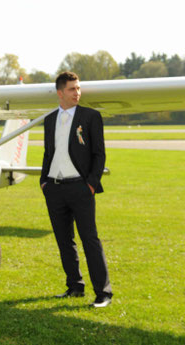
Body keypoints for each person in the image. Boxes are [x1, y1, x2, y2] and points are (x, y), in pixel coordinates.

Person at [40, 71, 113, 308]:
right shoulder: (50, 120)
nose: (77, 93)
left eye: (79, 88)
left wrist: (90, 184)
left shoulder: (91, 117)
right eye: (72, 89)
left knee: (90, 239)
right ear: (60, 93)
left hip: (81, 188)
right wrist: (44, 181)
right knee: (64, 241)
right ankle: (74, 286)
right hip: (55, 188)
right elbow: (48, 153)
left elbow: (99, 154)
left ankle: (103, 293)